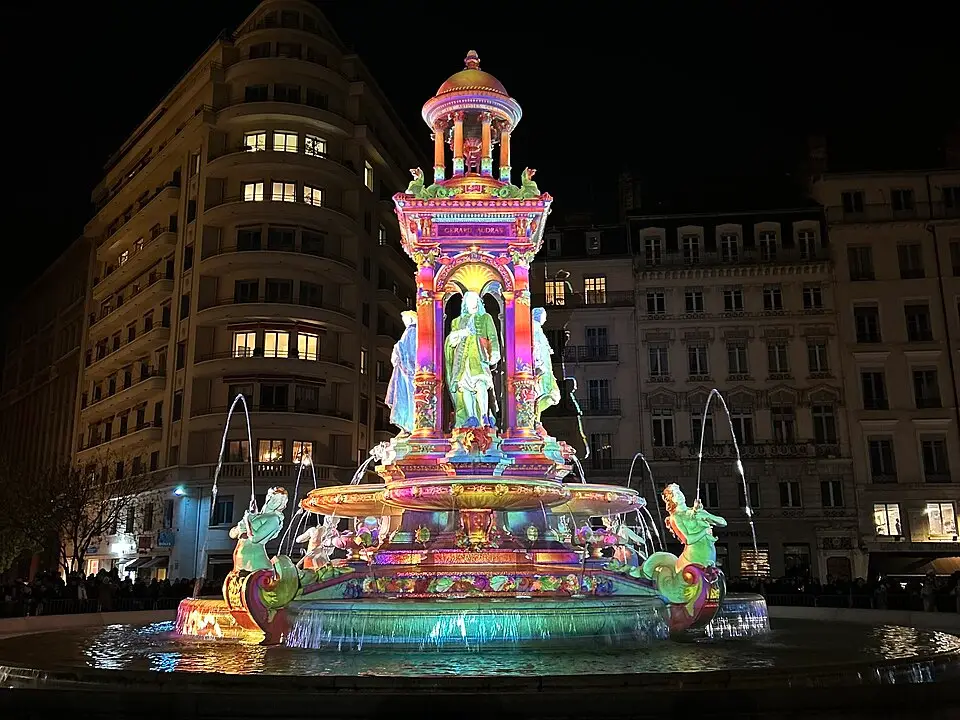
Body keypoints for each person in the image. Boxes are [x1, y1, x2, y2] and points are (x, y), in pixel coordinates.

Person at [444, 291, 501, 427]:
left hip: (479, 357)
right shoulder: (457, 322)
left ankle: (484, 416)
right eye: (469, 299)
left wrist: (495, 353)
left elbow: (492, 337)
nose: (472, 302)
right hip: (463, 360)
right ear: (465, 302)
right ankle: (471, 417)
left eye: (474, 299)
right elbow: (451, 341)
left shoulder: (486, 318)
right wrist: (461, 333)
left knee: (481, 385)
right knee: (464, 388)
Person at [228, 487, 289, 573]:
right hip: (240, 558)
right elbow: (232, 534)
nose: (273, 501)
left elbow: (255, 538)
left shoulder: (274, 519)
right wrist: (250, 516)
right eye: (272, 497)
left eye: (278, 500)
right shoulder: (258, 515)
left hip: (254, 560)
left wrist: (247, 520)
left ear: (282, 504)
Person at [385, 310, 417, 434]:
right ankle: (406, 425)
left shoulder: (411, 331)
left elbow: (408, 351)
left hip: (406, 371)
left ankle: (407, 425)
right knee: (403, 398)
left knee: (406, 398)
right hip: (403, 370)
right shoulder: (410, 332)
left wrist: (398, 351)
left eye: (405, 318)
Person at [531, 307, 561, 432]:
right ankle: (534, 420)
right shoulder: (534, 327)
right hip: (541, 369)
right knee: (547, 395)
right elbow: (535, 346)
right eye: (544, 316)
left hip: (545, 369)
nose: (545, 318)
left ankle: (535, 419)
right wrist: (538, 365)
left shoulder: (537, 328)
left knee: (551, 396)